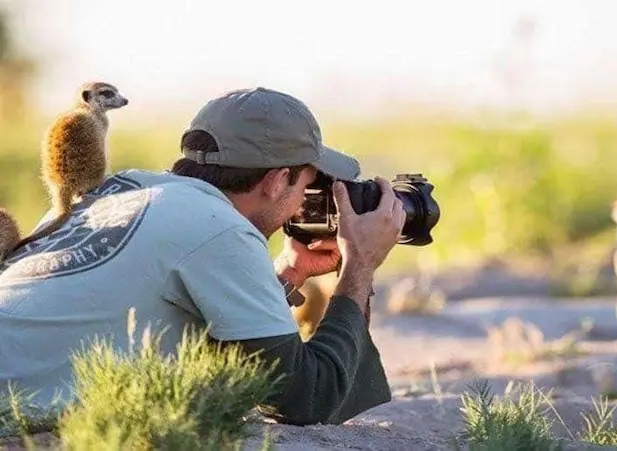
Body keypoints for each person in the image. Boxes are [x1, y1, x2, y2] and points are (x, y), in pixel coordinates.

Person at [0, 87, 405, 425]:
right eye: (306, 186)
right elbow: (307, 397)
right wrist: (360, 267)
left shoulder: (122, 190)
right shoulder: (221, 228)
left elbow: (215, 339)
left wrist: (289, 272)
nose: (303, 202)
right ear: (278, 179)